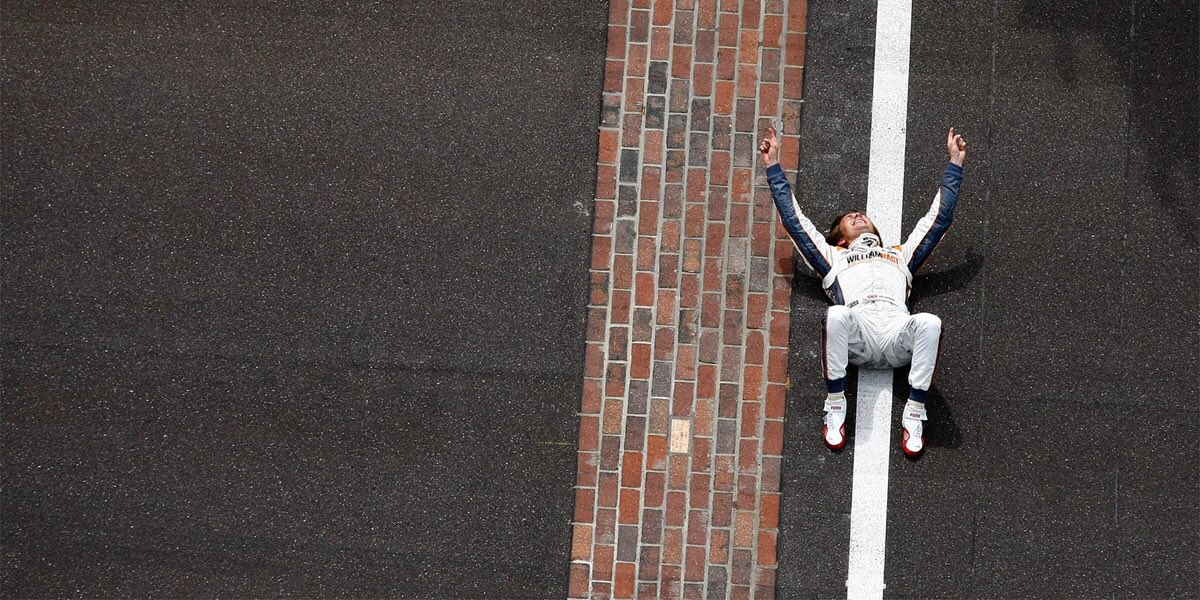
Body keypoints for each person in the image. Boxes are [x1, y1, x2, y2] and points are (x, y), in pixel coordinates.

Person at [758, 127, 966, 456]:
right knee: (837, 315)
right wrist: (773, 166)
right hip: (859, 338)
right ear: (840, 238)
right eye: (849, 218)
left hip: (898, 337)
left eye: (862, 215)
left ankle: (915, 412)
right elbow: (794, 222)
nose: (857, 214)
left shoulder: (899, 256)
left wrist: (955, 164)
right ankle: (836, 405)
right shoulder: (832, 258)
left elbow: (937, 221)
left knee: (929, 322)